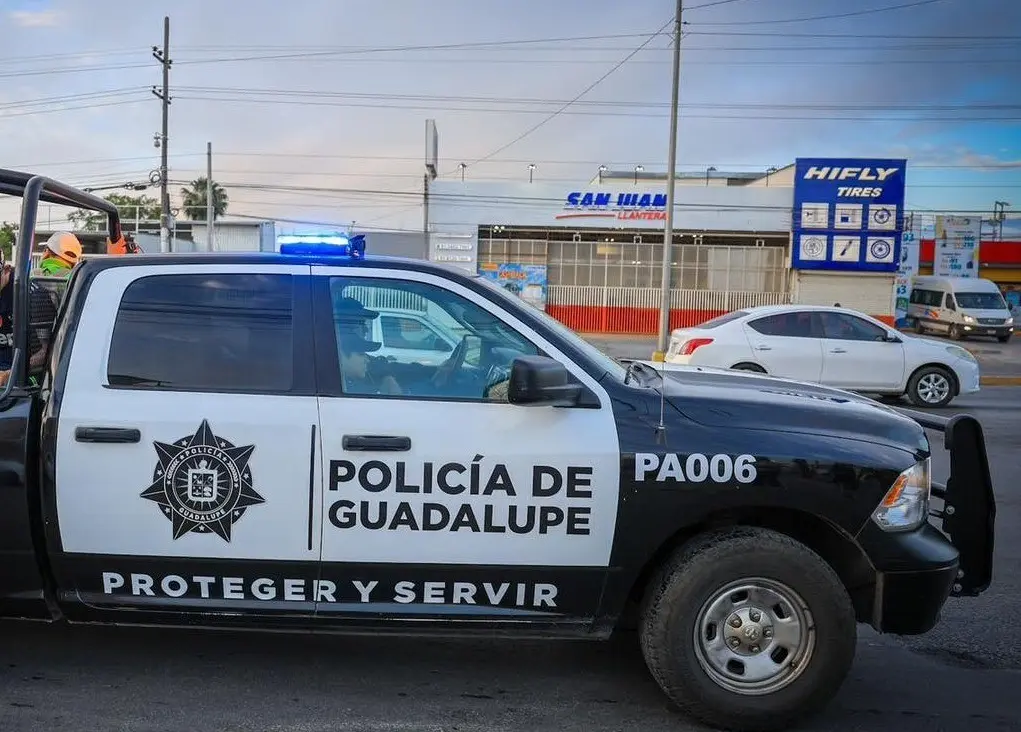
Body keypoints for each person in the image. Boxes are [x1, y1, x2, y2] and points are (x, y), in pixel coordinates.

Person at [0, 246, 59, 387]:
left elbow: (48, 350)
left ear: (6, 269)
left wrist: (11, 373)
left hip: (24, 373)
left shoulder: (33, 296)